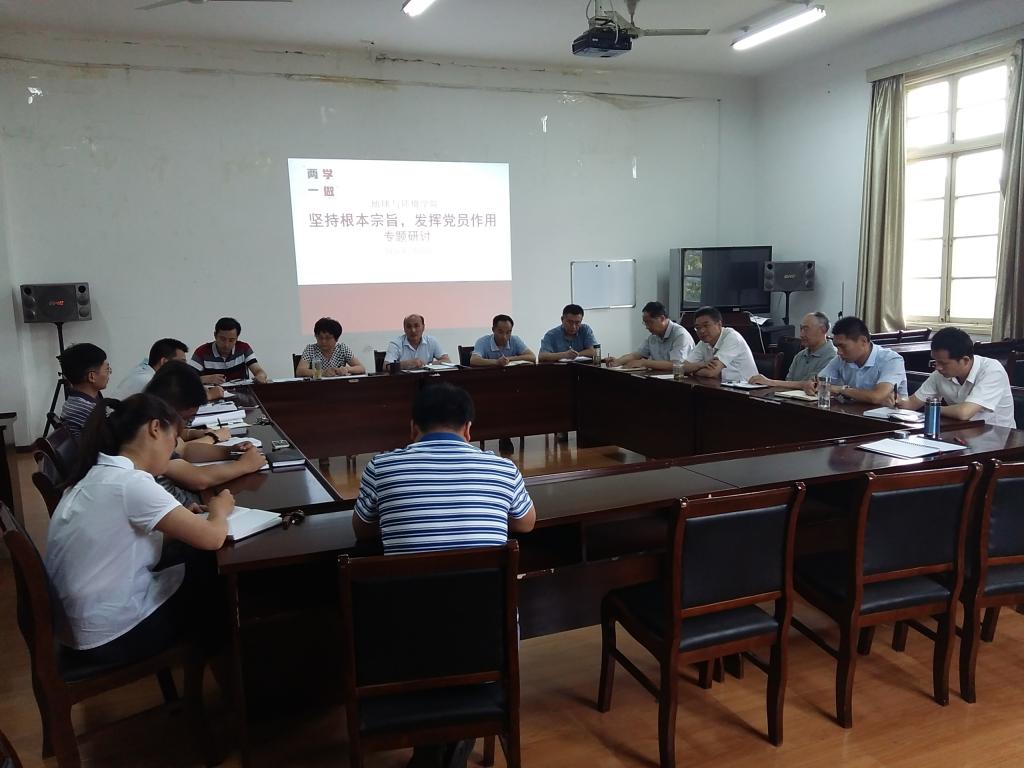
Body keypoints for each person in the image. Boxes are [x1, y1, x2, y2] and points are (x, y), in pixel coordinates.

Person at [353, 382, 535, 768]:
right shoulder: (503, 468)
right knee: (472, 611)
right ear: (468, 429)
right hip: (489, 643)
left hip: (402, 645)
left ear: (412, 428)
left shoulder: (381, 467)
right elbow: (526, 523)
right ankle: (451, 741)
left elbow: (363, 529)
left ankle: (436, 747)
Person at [44, 393, 234, 666]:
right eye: (173, 439)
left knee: (190, 555)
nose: (172, 450)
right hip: (109, 637)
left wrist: (177, 526)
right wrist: (220, 508)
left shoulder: (97, 474)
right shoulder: (131, 484)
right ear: (155, 428)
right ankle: (230, 668)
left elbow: (120, 541)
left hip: (80, 627)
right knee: (212, 573)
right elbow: (213, 538)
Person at [145, 361, 267, 506]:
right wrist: (244, 466)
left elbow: (184, 450)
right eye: (186, 419)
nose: (184, 426)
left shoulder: (156, 417)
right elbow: (198, 479)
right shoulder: (149, 436)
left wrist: (230, 451)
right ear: (169, 407)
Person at [896, 326, 1015, 428]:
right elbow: (912, 403)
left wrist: (932, 409)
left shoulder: (992, 371)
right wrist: (898, 400)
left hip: (997, 437)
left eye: (943, 363)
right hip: (961, 431)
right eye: (935, 361)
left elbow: (964, 413)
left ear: (965, 360)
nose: (938, 367)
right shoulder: (940, 373)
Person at [804, 316, 907, 405]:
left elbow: (876, 397)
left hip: (890, 418)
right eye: (836, 346)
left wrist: (841, 389)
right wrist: (812, 385)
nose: (838, 352)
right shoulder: (841, 359)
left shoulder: (892, 360)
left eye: (843, 346)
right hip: (855, 414)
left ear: (863, 341)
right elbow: (819, 382)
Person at [749, 312, 836, 387]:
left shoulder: (833, 357)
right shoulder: (800, 356)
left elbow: (813, 385)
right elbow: (788, 383)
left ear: (822, 330)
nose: (801, 334)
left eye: (806, 329)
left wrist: (770, 382)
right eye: (801, 329)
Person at [605, 301, 695, 371]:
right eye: (645, 323)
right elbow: (636, 355)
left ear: (662, 318)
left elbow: (676, 365)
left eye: (649, 322)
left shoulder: (680, 335)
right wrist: (618, 361)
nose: (647, 327)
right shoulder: (653, 336)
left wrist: (645, 363)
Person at [681, 306, 758, 381]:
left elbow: (711, 372)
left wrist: (692, 371)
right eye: (698, 328)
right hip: (721, 385)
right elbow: (682, 367)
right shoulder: (704, 342)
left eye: (706, 325)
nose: (701, 331)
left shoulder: (732, 337)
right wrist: (701, 364)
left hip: (747, 387)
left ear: (719, 324)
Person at [190, 317, 268, 384]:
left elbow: (258, 370)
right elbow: (186, 379)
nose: (226, 345)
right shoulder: (202, 352)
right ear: (215, 335)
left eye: (231, 340)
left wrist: (261, 376)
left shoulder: (243, 348)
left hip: (242, 393)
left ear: (237, 338)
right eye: (222, 339)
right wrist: (205, 379)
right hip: (213, 394)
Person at [58, 343, 111, 438]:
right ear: (92, 377)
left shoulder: (75, 400)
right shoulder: (86, 409)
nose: (109, 373)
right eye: (107, 369)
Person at [115, 338, 189, 398]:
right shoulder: (147, 381)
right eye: (182, 362)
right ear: (164, 362)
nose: (184, 367)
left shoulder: (144, 374)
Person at [295, 317, 366, 377]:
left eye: (328, 338)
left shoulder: (342, 348)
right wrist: (322, 373)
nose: (323, 341)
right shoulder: (311, 349)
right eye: (320, 337)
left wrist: (347, 369)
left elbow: (361, 368)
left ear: (336, 339)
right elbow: (300, 371)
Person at [384, 314, 451, 370]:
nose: (413, 330)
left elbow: (447, 361)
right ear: (404, 329)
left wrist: (428, 365)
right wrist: (407, 364)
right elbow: (385, 366)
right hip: (404, 379)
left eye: (416, 326)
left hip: (426, 379)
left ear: (423, 327)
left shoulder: (431, 341)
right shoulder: (396, 344)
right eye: (409, 327)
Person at [470, 314, 536, 367]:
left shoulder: (515, 340)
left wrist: (509, 359)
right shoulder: (483, 341)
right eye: (500, 332)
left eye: (508, 332)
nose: (504, 337)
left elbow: (532, 357)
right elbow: (474, 360)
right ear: (493, 329)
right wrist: (497, 362)